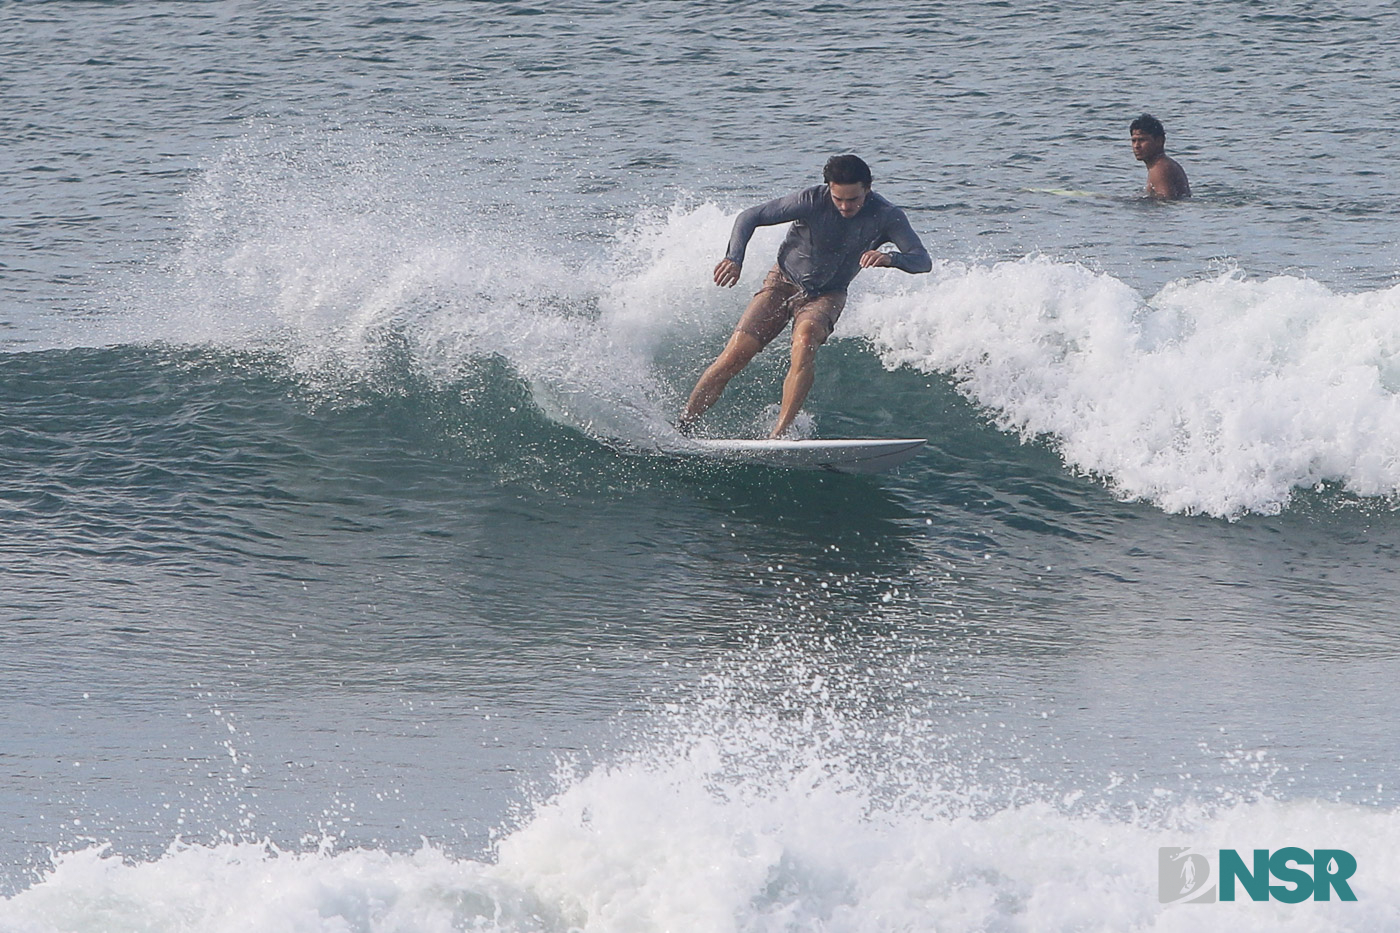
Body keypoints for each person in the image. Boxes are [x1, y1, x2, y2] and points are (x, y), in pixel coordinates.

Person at [678, 154, 931, 439]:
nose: (846, 207)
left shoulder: (887, 215)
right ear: (829, 189)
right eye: (839, 199)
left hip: (828, 294)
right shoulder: (810, 201)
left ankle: (779, 436)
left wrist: (890, 259)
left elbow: (922, 260)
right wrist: (734, 258)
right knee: (735, 355)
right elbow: (750, 216)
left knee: (806, 338)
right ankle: (685, 424)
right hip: (782, 282)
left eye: (854, 199)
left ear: (868, 189)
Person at [1130, 114, 1191, 200]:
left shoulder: (1160, 169)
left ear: (1160, 141)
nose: (1136, 146)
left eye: (1142, 140)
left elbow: (1166, 203)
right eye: (1134, 140)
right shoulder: (1164, 164)